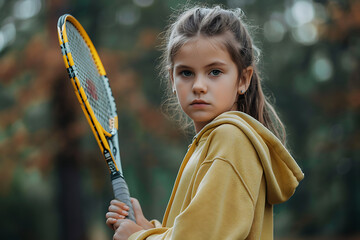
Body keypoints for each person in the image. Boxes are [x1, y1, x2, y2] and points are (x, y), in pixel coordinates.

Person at [105, 5, 304, 240]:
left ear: (243, 79)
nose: (199, 85)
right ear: (172, 78)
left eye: (215, 72)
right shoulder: (212, 143)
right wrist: (146, 228)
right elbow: (196, 230)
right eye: (186, 73)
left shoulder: (231, 140)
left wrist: (137, 238)